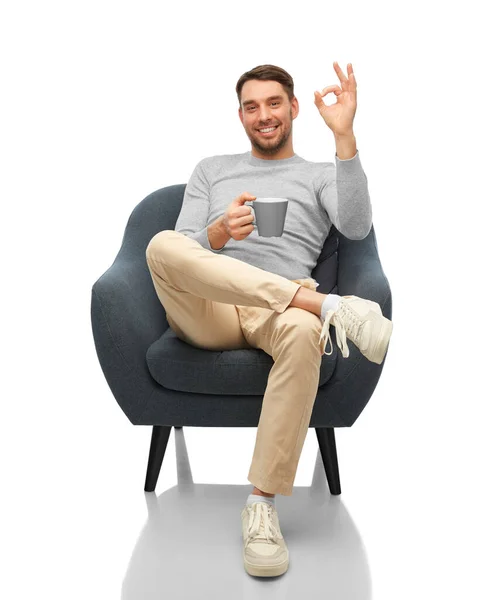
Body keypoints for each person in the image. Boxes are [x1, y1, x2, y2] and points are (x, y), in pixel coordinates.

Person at [145, 61, 393, 577]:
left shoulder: (320, 174)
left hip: (280, 313)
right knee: (160, 244)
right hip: (211, 307)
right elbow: (177, 252)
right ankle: (331, 308)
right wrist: (215, 237)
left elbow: (356, 225)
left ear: (294, 108)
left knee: (304, 330)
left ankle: (261, 505)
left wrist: (344, 137)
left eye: (274, 103)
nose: (264, 115)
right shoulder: (211, 169)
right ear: (240, 115)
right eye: (252, 106)